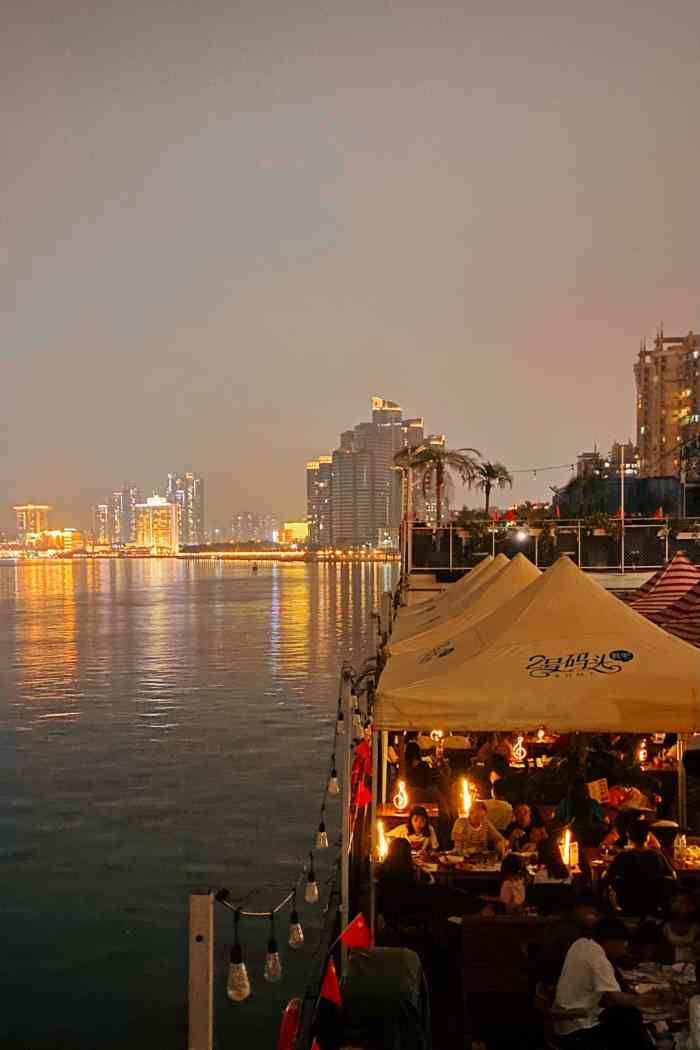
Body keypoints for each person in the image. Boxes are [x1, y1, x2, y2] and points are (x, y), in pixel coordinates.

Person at [553, 916, 664, 1047]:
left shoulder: (581, 944)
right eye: (624, 943)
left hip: (562, 1023)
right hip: (577, 1029)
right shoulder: (599, 959)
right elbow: (617, 998)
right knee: (631, 1019)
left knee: (627, 1016)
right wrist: (647, 999)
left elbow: (607, 997)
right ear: (613, 941)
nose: (623, 949)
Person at [605, 818, 675, 916]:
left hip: (627, 903)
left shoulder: (622, 856)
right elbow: (673, 876)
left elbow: (606, 877)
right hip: (652, 903)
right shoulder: (657, 855)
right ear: (648, 837)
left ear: (629, 836)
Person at [537, 892, 601, 987]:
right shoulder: (566, 930)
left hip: (560, 983)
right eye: (591, 910)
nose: (594, 914)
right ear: (578, 909)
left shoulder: (564, 925)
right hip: (562, 984)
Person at [555, 778, 608, 846]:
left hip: (570, 838)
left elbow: (557, 817)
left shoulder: (565, 802)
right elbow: (606, 820)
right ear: (586, 790)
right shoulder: (592, 803)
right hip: (589, 839)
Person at [662, 890, 700, 963]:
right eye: (675, 902)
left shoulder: (696, 928)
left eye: (682, 903)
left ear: (692, 907)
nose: (677, 905)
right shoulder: (666, 927)